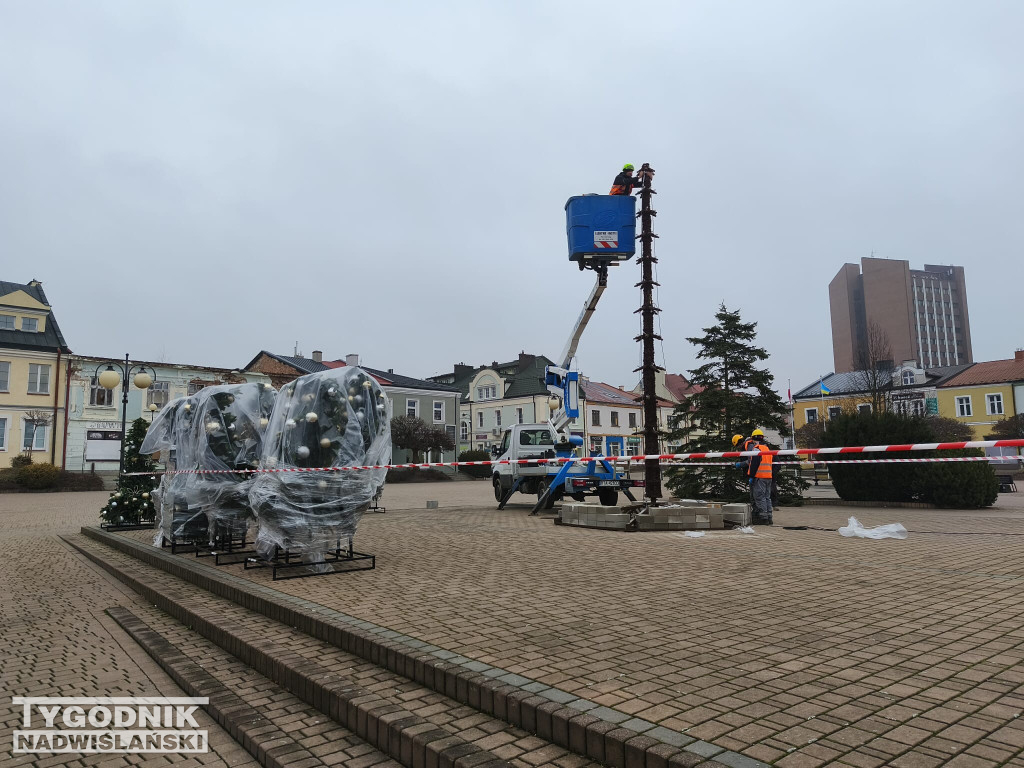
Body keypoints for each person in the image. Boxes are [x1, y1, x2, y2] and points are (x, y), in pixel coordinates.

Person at [747, 431, 774, 525]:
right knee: (767, 497)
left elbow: (754, 464)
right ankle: (769, 517)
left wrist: (751, 476)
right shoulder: (767, 448)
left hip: (760, 476)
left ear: (753, 439)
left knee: (760, 497)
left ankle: (763, 518)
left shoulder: (757, 449)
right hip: (768, 476)